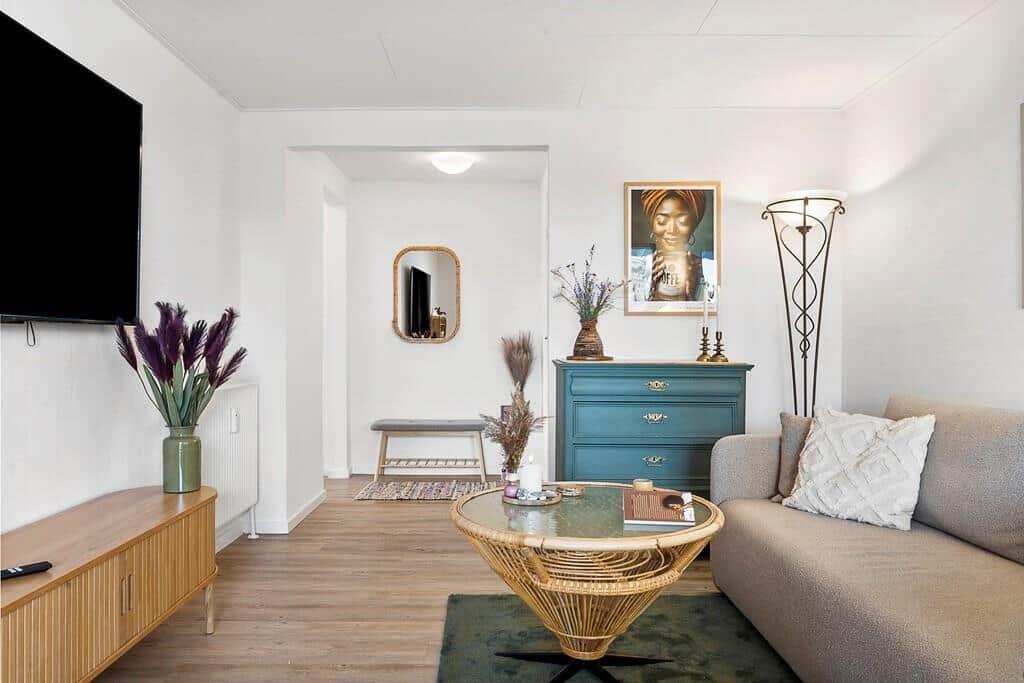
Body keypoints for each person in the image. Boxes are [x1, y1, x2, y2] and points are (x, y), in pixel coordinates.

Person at [640, 189, 707, 301]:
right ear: (652, 224)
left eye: (683, 221)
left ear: (693, 226)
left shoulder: (705, 269)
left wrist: (689, 294)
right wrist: (648, 287)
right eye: (661, 221)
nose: (672, 230)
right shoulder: (638, 266)